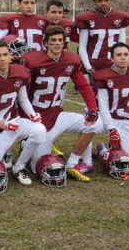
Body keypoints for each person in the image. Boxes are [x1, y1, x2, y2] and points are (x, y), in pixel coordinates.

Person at [22, 26, 101, 182]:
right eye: (53, 41)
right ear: (46, 43)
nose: (57, 43)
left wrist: (93, 108)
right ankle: (28, 145)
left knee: (93, 124)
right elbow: (23, 94)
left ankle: (72, 163)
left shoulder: (70, 60)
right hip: (37, 118)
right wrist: (27, 116)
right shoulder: (33, 61)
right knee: (39, 166)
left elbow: (84, 86)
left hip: (57, 115)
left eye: (60, 40)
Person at [0, 40, 46, 185]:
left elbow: (23, 100)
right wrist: (3, 125)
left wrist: (32, 114)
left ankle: (19, 167)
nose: (2, 58)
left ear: (11, 55)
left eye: (5, 54)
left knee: (39, 130)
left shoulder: (20, 72)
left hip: (13, 123)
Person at [93, 42, 129, 157]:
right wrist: (111, 129)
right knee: (87, 127)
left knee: (123, 157)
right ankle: (85, 160)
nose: (123, 57)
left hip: (127, 121)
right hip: (105, 118)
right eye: (119, 55)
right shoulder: (104, 76)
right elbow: (103, 106)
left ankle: (102, 150)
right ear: (112, 58)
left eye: (126, 54)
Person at [76, 0, 129, 82]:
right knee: (92, 95)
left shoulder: (120, 17)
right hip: (93, 64)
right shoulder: (86, 18)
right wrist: (88, 67)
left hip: (112, 64)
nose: (103, 3)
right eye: (100, 0)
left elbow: (122, 45)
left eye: (106, 0)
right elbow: (82, 47)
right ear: (94, 1)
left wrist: (118, 64)